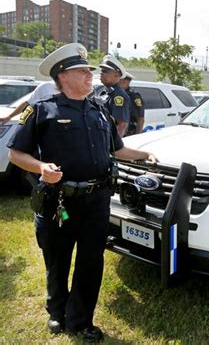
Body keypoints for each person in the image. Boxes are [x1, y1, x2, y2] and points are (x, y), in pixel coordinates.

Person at [7, 43, 157, 342]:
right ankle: (56, 312)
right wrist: (41, 167)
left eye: (90, 70)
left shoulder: (100, 109)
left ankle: (81, 320)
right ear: (63, 76)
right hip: (59, 199)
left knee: (91, 261)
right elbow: (15, 154)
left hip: (97, 200)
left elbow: (118, 148)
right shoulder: (42, 110)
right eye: (83, 71)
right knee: (57, 259)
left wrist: (144, 155)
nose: (91, 75)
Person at [99, 54, 130, 136]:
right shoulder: (104, 91)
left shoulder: (119, 95)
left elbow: (121, 125)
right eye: (101, 70)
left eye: (105, 71)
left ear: (116, 74)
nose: (101, 73)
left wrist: (113, 147)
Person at [119, 71, 145, 136]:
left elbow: (141, 119)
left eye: (119, 80)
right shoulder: (116, 94)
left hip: (128, 135)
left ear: (125, 82)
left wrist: (137, 137)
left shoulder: (134, 97)